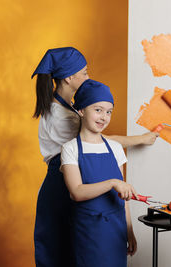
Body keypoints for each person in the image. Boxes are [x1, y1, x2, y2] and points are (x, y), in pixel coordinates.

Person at [32, 47, 158, 267]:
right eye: (84, 72)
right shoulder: (61, 117)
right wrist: (142, 139)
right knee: (60, 253)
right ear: (70, 77)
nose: (87, 77)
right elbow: (100, 141)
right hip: (62, 187)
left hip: (81, 188)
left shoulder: (64, 108)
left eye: (108, 111)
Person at [61, 79, 137, 267]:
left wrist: (129, 231)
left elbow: (123, 197)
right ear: (80, 110)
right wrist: (112, 182)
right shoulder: (70, 149)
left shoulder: (116, 148)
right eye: (98, 110)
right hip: (88, 232)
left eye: (109, 111)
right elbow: (76, 192)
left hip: (116, 232)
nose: (104, 117)